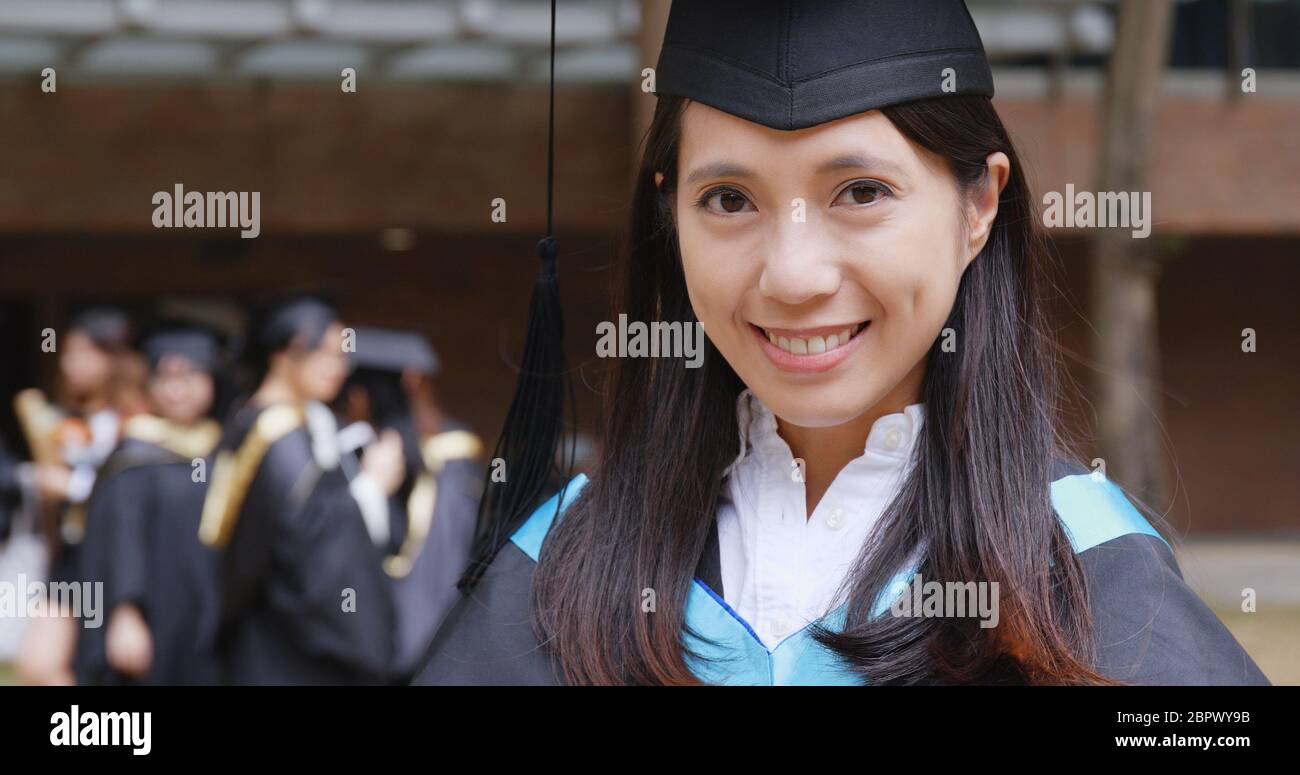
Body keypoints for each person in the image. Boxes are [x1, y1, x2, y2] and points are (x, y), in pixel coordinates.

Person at [415, 0, 1270, 685]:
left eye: (861, 191)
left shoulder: (1089, 578)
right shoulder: (562, 569)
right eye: (728, 200)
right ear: (669, 214)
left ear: (978, 207)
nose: (792, 275)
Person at [200, 298, 400, 684]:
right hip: (282, 644)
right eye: (322, 353)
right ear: (282, 353)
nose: (336, 368)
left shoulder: (266, 419)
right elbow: (310, 540)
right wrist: (371, 488)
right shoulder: (279, 435)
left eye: (342, 355)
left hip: (265, 634)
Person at [73, 328, 225, 685]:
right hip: (152, 614)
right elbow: (121, 540)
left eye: (190, 376)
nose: (176, 389)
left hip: (206, 616)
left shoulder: (222, 449)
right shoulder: (133, 457)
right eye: (165, 377)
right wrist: (125, 612)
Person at [335, 327, 483, 683]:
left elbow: (440, 569)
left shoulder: (451, 456)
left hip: (412, 649)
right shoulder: (358, 451)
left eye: (360, 393)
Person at [14, 306, 139, 685]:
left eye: (86, 353)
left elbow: (131, 490)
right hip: (72, 556)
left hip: (117, 560)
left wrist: (69, 486)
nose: (72, 364)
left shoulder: (134, 423)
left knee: (103, 664)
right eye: (68, 353)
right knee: (39, 664)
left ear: (113, 360)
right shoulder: (68, 422)